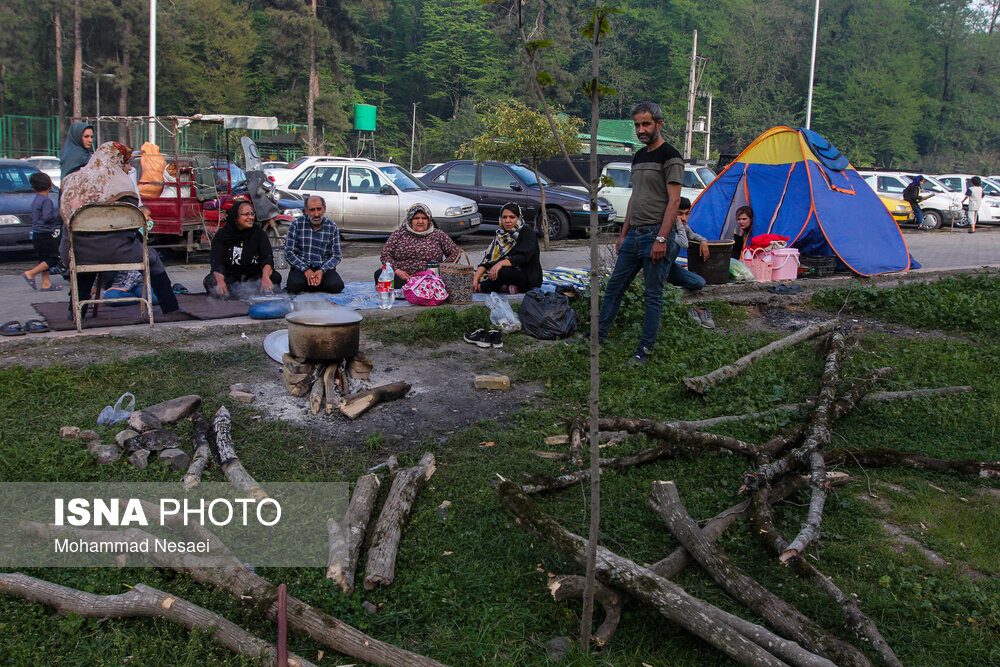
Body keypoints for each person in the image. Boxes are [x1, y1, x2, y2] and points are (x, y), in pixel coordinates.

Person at [595, 101, 683, 367]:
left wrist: (662, 239)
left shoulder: (671, 156)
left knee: (652, 294)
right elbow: (636, 197)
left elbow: (675, 201)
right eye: (637, 125)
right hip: (634, 235)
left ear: (659, 124)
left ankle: (644, 351)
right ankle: (597, 338)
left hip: (656, 234)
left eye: (646, 124)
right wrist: (623, 234)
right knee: (614, 288)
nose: (641, 130)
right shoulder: (639, 156)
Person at [58, 141, 180, 315]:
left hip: (80, 251)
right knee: (152, 257)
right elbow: (130, 226)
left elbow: (65, 220)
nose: (129, 167)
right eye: (126, 162)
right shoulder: (124, 186)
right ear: (118, 162)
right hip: (119, 251)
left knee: (85, 268)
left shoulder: (71, 181)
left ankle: (76, 312)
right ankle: (171, 308)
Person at [203, 200, 282, 298]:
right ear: (236, 217)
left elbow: (267, 258)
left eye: (252, 214)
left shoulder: (259, 233)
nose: (251, 218)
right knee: (211, 281)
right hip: (230, 276)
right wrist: (220, 281)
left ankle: (242, 294)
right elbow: (217, 262)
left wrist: (265, 277)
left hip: (254, 276)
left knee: (275, 277)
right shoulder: (222, 235)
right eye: (246, 214)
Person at [377, 203, 461, 288]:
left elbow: (455, 252)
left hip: (431, 279)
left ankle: (419, 289)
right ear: (410, 220)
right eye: (416, 218)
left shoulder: (438, 234)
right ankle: (410, 289)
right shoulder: (399, 234)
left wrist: (442, 269)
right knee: (380, 274)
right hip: (404, 278)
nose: (420, 221)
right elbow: (385, 255)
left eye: (424, 218)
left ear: (429, 220)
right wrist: (396, 270)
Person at [473, 202, 542, 294]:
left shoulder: (527, 232)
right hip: (506, 277)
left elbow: (524, 257)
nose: (507, 221)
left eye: (512, 217)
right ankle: (504, 288)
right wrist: (475, 279)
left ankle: (483, 287)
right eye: (504, 217)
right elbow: (487, 261)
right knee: (473, 273)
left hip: (528, 278)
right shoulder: (500, 235)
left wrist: (501, 263)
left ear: (518, 218)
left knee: (502, 271)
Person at [284, 195, 345, 294]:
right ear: (306, 211)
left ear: (324, 209)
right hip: (301, 268)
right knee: (294, 286)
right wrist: (306, 270)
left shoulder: (332, 227)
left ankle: (314, 282)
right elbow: (289, 252)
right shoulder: (296, 225)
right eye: (312, 210)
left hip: (323, 268)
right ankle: (313, 283)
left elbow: (336, 255)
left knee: (336, 286)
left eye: (319, 209)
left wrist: (322, 270)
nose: (316, 214)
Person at [21, 172, 64, 292]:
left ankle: (46, 283)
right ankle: (31, 273)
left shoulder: (36, 200)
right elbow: (47, 217)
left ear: (34, 188)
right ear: (50, 185)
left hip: (37, 234)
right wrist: (59, 213)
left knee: (44, 258)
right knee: (54, 258)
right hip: (45, 234)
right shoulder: (46, 201)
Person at [668, 197, 708, 291]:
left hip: (671, 267)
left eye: (687, 214)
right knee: (674, 246)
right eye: (680, 214)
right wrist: (678, 223)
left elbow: (693, 236)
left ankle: (670, 282)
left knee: (699, 282)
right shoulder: (669, 228)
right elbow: (684, 244)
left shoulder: (684, 227)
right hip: (658, 267)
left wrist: (703, 241)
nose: (684, 218)